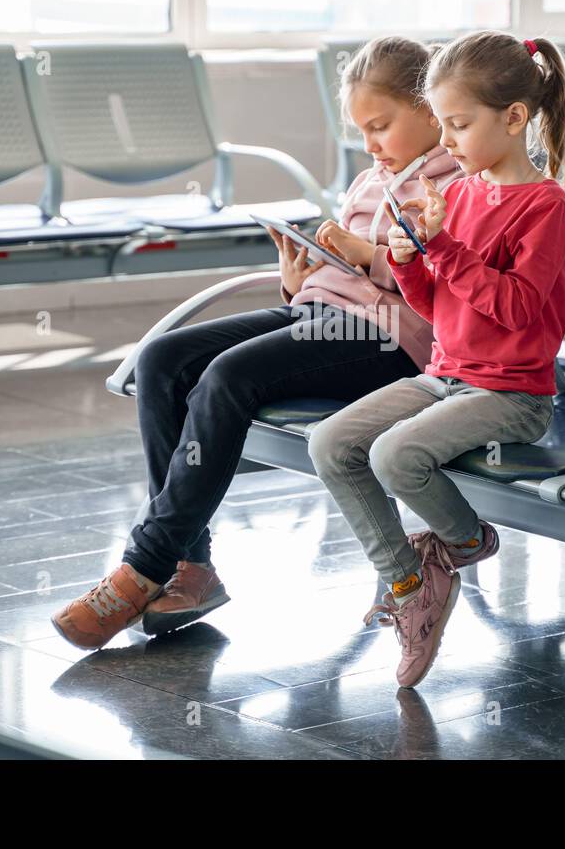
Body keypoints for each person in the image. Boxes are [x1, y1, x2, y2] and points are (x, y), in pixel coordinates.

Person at [51, 37, 463, 650]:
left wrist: (365, 259)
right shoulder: (374, 180)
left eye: (381, 126)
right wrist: (303, 278)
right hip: (325, 314)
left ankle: (147, 564)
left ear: (430, 110)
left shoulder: (456, 185)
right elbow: (343, 270)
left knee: (227, 377)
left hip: (389, 336)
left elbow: (445, 287)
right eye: (362, 132)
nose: (371, 145)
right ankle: (192, 566)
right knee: (163, 360)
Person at [306, 31, 565, 688]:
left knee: (394, 456)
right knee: (329, 443)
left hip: (512, 394)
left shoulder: (545, 206)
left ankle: (464, 542)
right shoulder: (455, 196)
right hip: (446, 376)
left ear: (514, 118)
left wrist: (445, 253)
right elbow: (435, 308)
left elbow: (513, 309)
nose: (447, 142)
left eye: (458, 124)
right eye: (443, 125)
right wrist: (408, 261)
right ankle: (410, 586)